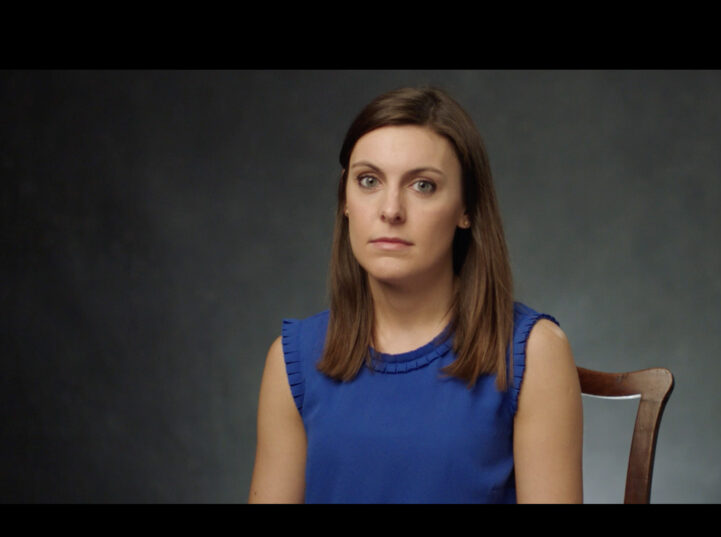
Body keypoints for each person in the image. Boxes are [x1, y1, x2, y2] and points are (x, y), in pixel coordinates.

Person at [248, 86, 582, 503]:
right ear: (345, 199)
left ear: (466, 209)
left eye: (423, 185)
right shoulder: (291, 360)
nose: (390, 210)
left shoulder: (535, 353)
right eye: (368, 181)